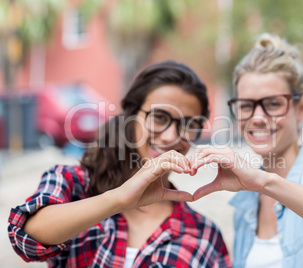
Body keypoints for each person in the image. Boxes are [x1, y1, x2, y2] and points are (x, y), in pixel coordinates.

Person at [8, 61, 232, 268]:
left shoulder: (204, 235)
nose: (170, 136)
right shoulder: (72, 182)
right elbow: (26, 239)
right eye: (160, 117)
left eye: (188, 124)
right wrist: (119, 199)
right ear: (132, 116)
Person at [189, 33, 303, 268]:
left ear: (301, 109)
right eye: (246, 105)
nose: (257, 117)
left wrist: (265, 182)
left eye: (273, 104)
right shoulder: (247, 200)